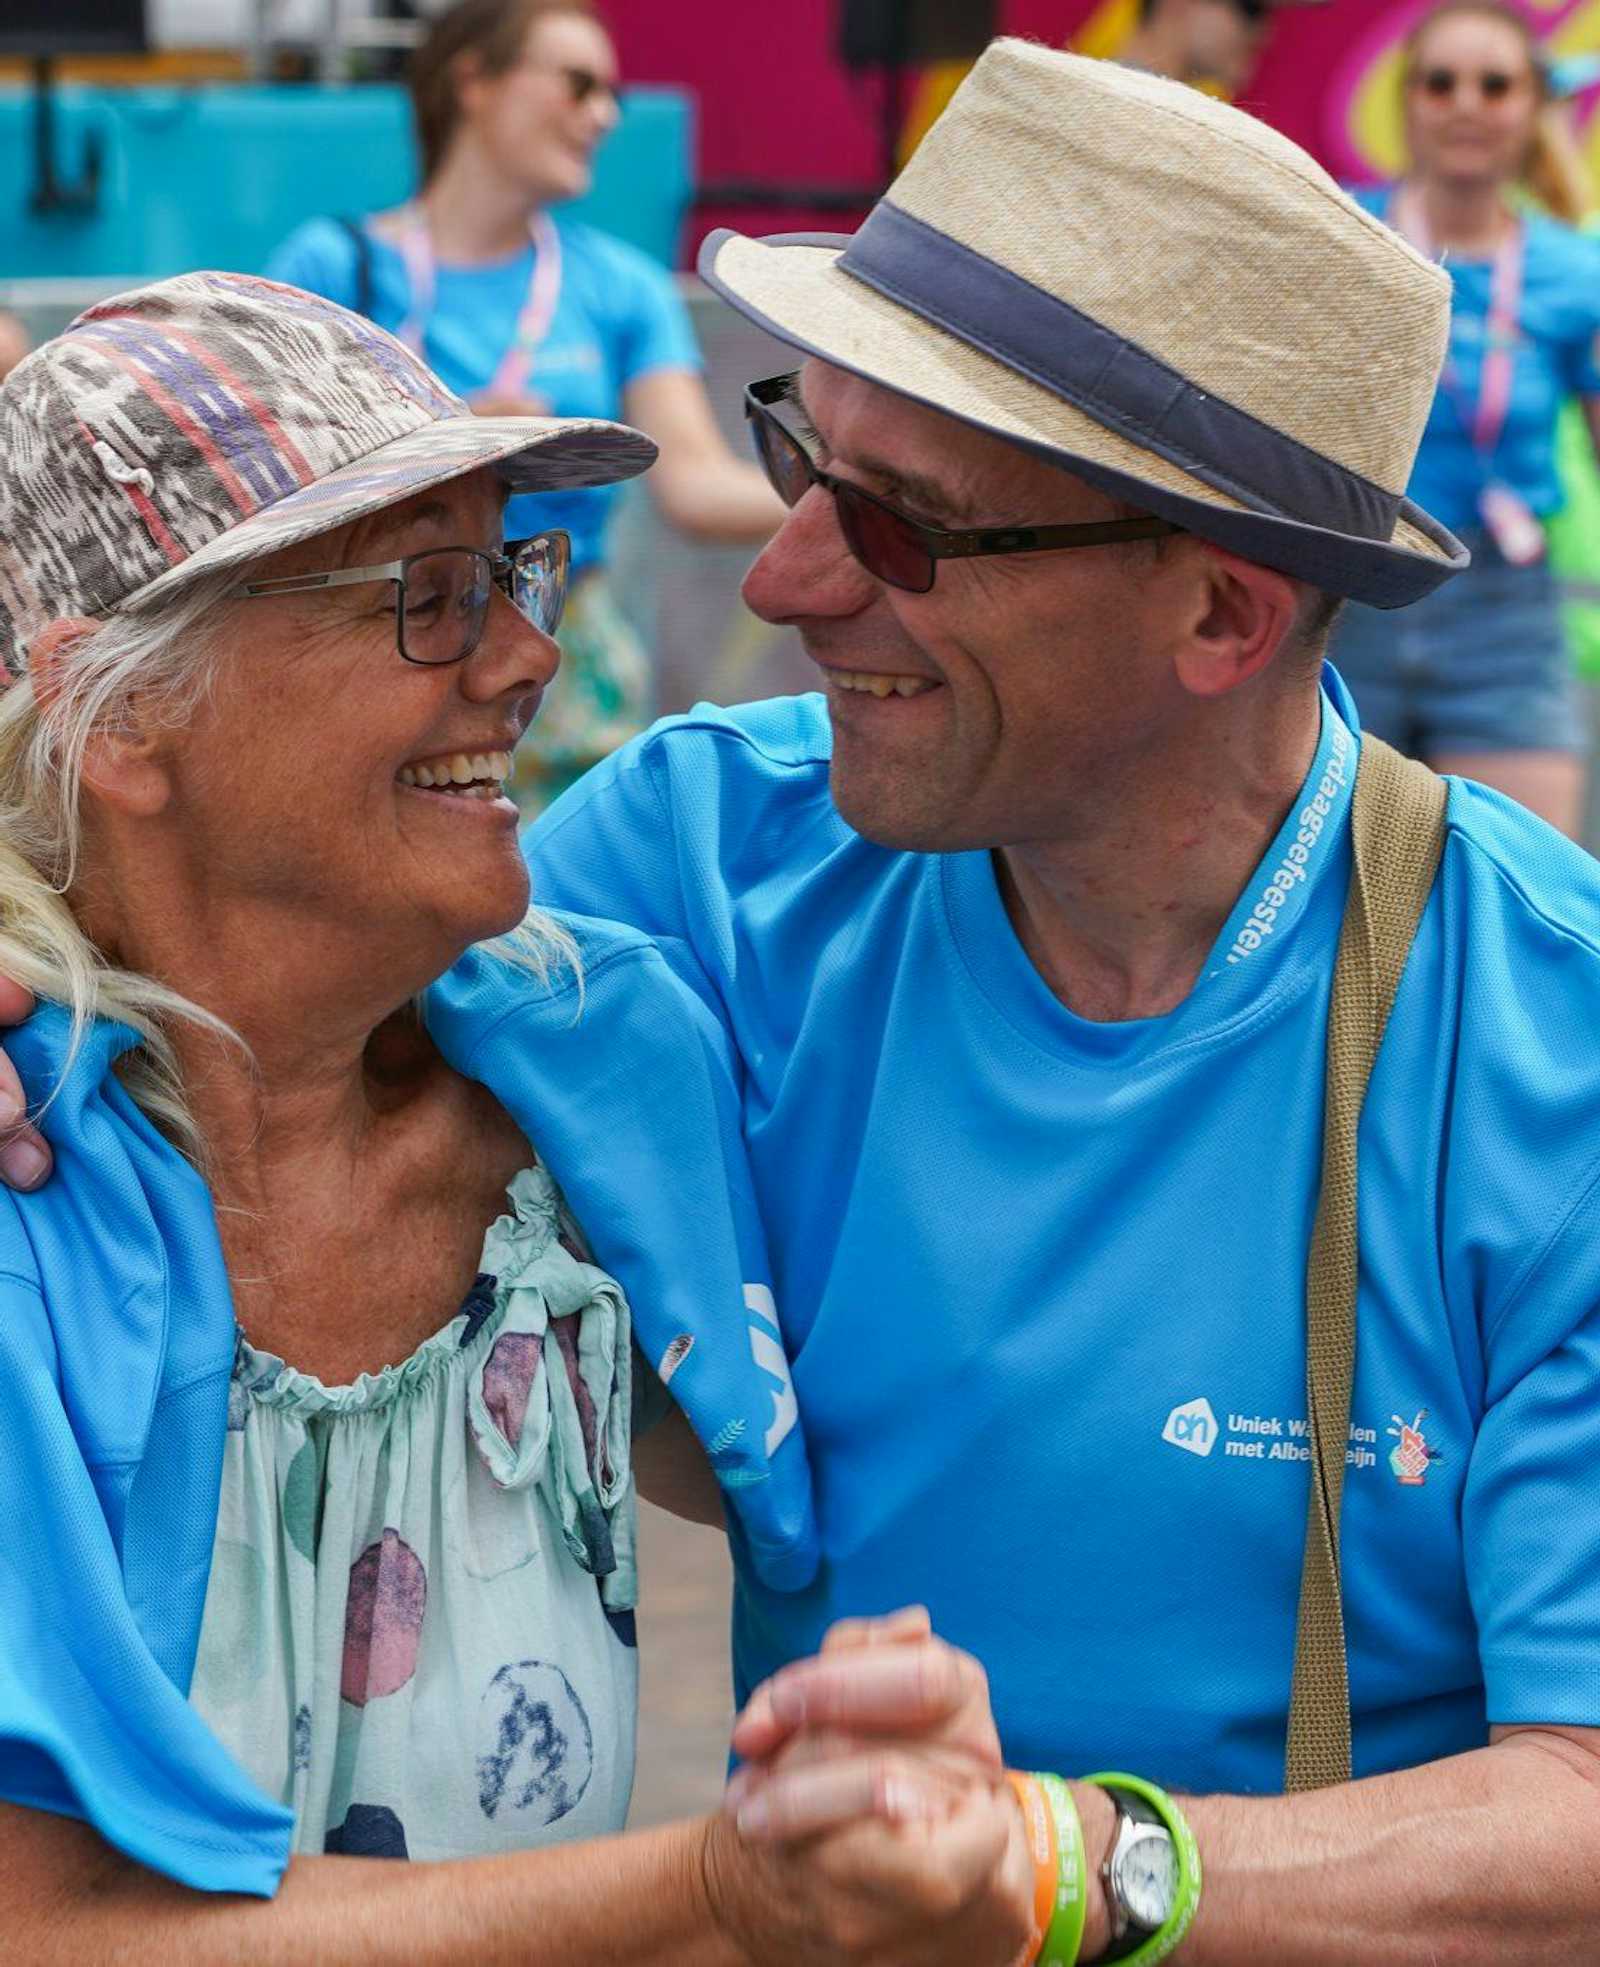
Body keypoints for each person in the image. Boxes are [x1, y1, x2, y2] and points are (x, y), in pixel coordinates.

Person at [10, 41, 1600, 1965]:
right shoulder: (706, 858)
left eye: (905, 524)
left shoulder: (1545, 1035)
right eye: (797, 455)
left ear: (1221, 617)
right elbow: (209, 871)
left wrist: (1072, 1866)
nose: (782, 574)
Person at [0, 271, 1031, 1963]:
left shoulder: (590, 1067)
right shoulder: (36, 1198)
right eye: (431, 594)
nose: (533, 654)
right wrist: (714, 1891)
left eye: (517, 568)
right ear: (125, 718)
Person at [267, 0, 782, 813]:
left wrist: (852, 500)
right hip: (382, 624)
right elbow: (271, 480)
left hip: (564, 644)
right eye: (578, 85)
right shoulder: (332, 263)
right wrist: (436, 436)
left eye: (611, 92)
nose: (604, 115)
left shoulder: (622, 285)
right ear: (475, 81)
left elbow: (697, 487)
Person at [1332, 0, 1600, 837]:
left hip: (1505, 617)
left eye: (1495, 84)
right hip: (1349, 592)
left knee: (1529, 909)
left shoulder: (1574, 271)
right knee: (1329, 912)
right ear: (1406, 102)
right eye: (1441, 82)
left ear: (1533, 108)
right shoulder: (1340, 233)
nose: (1467, 104)